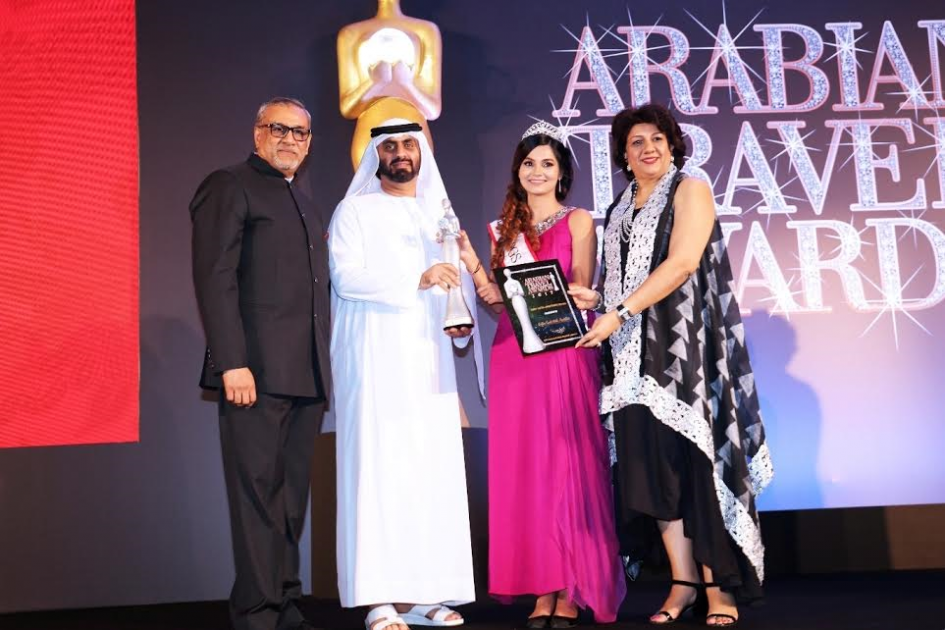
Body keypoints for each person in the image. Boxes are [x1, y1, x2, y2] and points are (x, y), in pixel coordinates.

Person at [570, 103, 774, 627]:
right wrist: (594, 299)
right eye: (636, 142)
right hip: (628, 362)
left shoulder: (690, 189)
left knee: (695, 467)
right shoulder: (618, 207)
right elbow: (621, 282)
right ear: (623, 154)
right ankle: (682, 585)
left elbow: (682, 263)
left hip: (683, 353)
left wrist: (617, 312)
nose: (648, 148)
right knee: (652, 477)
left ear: (673, 145)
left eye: (657, 139)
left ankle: (719, 591)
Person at [462, 124, 626, 627]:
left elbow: (581, 285)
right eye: (529, 163)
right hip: (514, 357)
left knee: (566, 467)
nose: (537, 171)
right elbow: (500, 305)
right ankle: (542, 586)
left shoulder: (578, 221)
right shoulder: (502, 230)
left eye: (547, 164)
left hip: (563, 353)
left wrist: (583, 296)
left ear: (562, 174)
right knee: (526, 471)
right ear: (518, 170)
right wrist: (473, 265)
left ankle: (571, 586)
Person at [329, 118, 482, 630]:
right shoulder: (355, 210)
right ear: (376, 154)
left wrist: (460, 321)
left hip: (430, 364)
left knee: (431, 475)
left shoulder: (438, 215)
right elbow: (346, 278)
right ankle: (379, 598)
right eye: (389, 145)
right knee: (380, 473)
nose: (399, 153)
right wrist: (417, 277)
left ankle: (426, 594)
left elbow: (454, 286)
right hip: (375, 361)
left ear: (422, 153)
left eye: (408, 144)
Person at [190, 96, 331, 630]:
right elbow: (215, 277)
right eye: (279, 129)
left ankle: (285, 604)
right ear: (257, 134)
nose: (290, 140)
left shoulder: (305, 204)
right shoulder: (229, 185)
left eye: (300, 132)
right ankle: (256, 613)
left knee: (290, 500)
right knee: (257, 499)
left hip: (306, 376)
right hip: (254, 374)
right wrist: (232, 362)